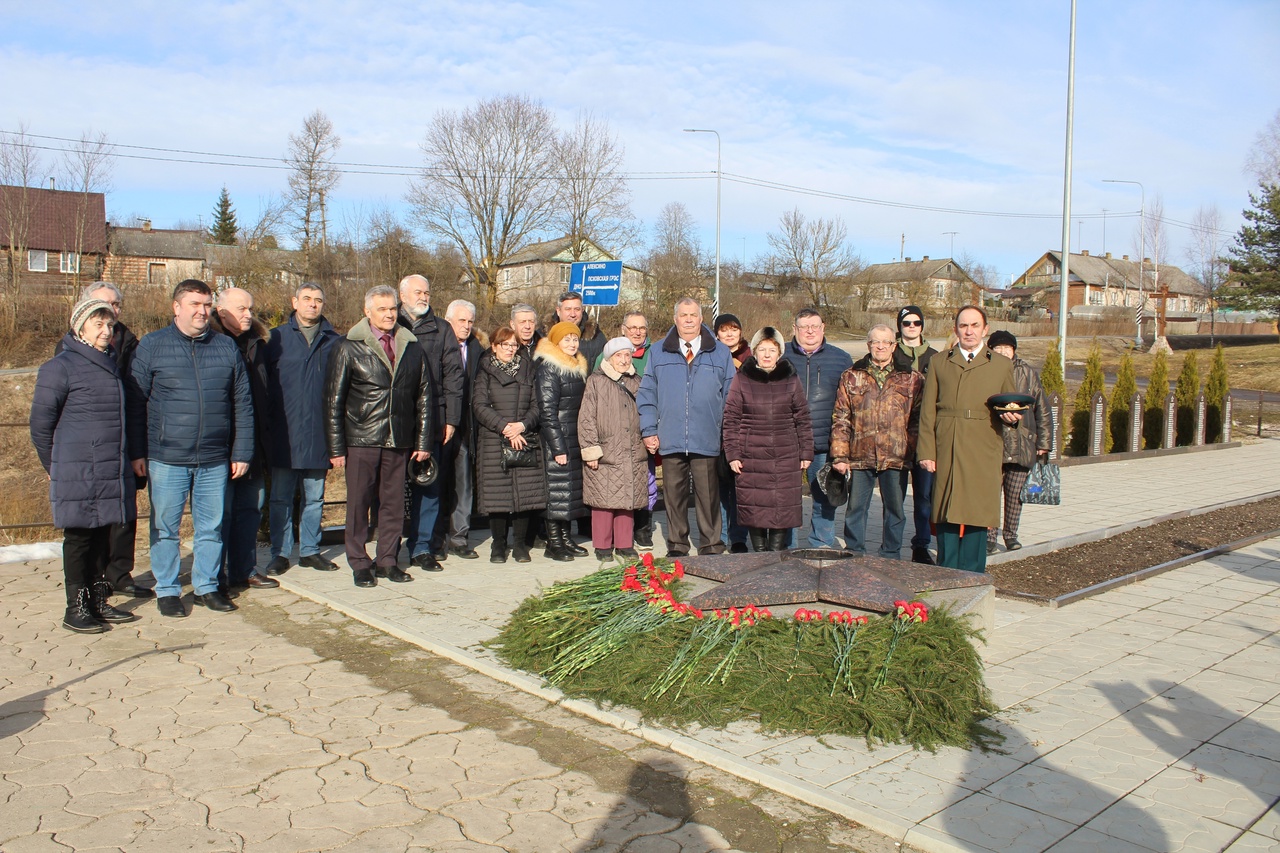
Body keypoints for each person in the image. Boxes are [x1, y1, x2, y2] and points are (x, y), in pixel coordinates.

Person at [130, 279, 253, 617]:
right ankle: (168, 590)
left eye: (207, 305)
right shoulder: (152, 346)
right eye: (195, 304)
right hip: (166, 457)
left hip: (214, 457)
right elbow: (136, 403)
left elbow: (241, 402)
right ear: (177, 307)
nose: (202, 311)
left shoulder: (226, 347)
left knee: (211, 527)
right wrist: (136, 452)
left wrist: (241, 450)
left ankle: (207, 586)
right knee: (165, 528)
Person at [31, 298, 144, 632]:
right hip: (76, 469)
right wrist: (55, 465)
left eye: (109, 325)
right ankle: (75, 607)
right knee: (79, 537)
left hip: (108, 468)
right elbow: (40, 425)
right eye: (98, 324)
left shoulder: (109, 363)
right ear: (79, 327)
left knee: (101, 536)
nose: (107, 331)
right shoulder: (60, 367)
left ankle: (97, 600)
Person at [325, 285, 432, 588]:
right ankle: (359, 562)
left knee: (393, 504)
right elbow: (333, 399)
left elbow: (424, 395)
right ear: (367, 311)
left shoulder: (411, 346)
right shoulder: (348, 347)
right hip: (361, 438)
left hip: (399, 440)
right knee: (358, 504)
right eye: (382, 309)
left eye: (392, 309)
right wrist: (336, 447)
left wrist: (423, 442)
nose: (388, 314)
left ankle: (387, 560)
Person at [54, 281, 149, 599]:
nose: (113, 315)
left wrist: (136, 448)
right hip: (86, 452)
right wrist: (57, 461)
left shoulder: (129, 342)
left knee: (124, 513)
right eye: (105, 307)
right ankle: (85, 592)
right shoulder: (68, 353)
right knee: (87, 527)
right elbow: (48, 419)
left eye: (117, 306)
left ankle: (118, 573)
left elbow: (135, 396)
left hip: (119, 442)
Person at [916, 306, 1020, 573]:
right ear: (956, 330)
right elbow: (928, 411)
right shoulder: (940, 362)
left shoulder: (1001, 364)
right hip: (947, 442)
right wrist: (927, 451)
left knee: (978, 509)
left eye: (975, 325)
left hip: (983, 442)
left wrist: (1012, 417)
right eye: (963, 326)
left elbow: (1011, 405)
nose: (969, 331)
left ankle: (974, 574)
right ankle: (946, 572)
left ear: (985, 329)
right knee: (946, 508)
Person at [637, 298, 736, 557]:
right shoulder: (658, 351)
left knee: (708, 497)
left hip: (707, 437)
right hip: (670, 437)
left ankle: (711, 544)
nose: (689, 319)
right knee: (674, 498)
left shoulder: (721, 352)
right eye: (684, 315)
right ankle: (678, 545)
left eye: (693, 315)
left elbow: (730, 396)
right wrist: (649, 430)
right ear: (675, 319)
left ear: (701, 319)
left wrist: (727, 434)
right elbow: (647, 393)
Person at [263, 282, 341, 576]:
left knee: (314, 497)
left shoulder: (334, 340)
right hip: (284, 433)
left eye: (318, 300)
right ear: (294, 302)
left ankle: (309, 550)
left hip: (319, 434)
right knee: (281, 497)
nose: (312, 304)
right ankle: (280, 553)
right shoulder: (275, 339)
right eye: (306, 299)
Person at [829, 324, 924, 559]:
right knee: (856, 509)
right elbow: (841, 417)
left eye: (886, 342)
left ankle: (891, 554)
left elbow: (917, 420)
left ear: (894, 345)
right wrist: (840, 455)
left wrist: (911, 452)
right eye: (875, 342)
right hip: (861, 454)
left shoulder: (912, 378)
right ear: (868, 345)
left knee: (895, 510)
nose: (880, 346)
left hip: (896, 455)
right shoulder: (851, 376)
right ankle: (854, 552)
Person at [722, 327, 813, 552]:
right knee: (755, 508)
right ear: (754, 351)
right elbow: (731, 419)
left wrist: (806, 452)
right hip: (751, 457)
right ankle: (760, 555)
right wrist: (732, 454)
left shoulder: (791, 380)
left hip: (785, 456)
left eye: (771, 350)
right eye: (762, 349)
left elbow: (802, 416)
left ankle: (775, 555)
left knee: (782, 508)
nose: (766, 354)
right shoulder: (742, 379)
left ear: (779, 352)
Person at [210, 286, 276, 592]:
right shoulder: (209, 343)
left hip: (255, 445)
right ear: (222, 312)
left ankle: (244, 569)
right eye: (242, 309)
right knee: (219, 515)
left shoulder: (258, 344)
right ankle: (214, 576)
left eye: (250, 308)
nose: (249, 314)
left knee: (251, 510)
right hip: (221, 445)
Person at [397, 274, 464, 571]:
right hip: (394, 418)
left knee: (429, 484)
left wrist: (451, 418)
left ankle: (422, 547)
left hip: (433, 417)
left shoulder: (442, 329)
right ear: (403, 296)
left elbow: (454, 376)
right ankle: (387, 549)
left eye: (426, 292)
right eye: (417, 292)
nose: (423, 297)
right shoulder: (391, 325)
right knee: (390, 487)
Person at [473, 326, 547, 563]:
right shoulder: (485, 370)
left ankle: (520, 545)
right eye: (505, 345)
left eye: (514, 345)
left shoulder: (528, 370)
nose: (510, 349)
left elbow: (537, 406)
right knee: (498, 496)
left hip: (524, 437)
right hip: (494, 440)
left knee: (523, 494)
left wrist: (522, 426)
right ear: (494, 346)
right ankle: (498, 544)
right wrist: (506, 428)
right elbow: (479, 405)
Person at [782, 307, 853, 549]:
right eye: (804, 326)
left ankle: (820, 545)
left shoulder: (841, 358)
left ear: (823, 328)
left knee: (824, 496)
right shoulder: (782, 357)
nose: (810, 331)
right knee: (786, 499)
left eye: (815, 326)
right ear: (795, 330)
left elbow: (849, 404)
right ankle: (786, 548)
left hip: (824, 441)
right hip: (789, 442)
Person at [579, 337, 649, 561]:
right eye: (619, 355)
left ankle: (625, 544)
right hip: (606, 451)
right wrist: (590, 449)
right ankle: (602, 546)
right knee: (603, 502)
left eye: (627, 355)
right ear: (609, 358)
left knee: (626, 501)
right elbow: (587, 417)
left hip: (631, 450)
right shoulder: (596, 381)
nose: (624, 359)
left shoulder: (637, 381)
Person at [986, 331, 1053, 554]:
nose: (1003, 351)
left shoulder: (1027, 373)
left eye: (1007, 347)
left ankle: (1011, 535)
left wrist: (1044, 443)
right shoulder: (985, 370)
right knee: (990, 494)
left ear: (1014, 350)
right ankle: (988, 537)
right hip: (992, 441)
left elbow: (1042, 409)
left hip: (1021, 442)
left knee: (1015, 495)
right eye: (998, 348)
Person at [534, 321, 590, 561]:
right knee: (555, 491)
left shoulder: (576, 366)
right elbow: (547, 411)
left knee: (567, 492)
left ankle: (566, 539)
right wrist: (557, 446)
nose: (571, 343)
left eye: (574, 339)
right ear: (556, 342)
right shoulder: (549, 367)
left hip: (573, 437)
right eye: (566, 339)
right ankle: (553, 542)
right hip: (556, 440)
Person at [602, 312, 657, 549]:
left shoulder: (655, 354)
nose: (637, 332)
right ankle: (619, 532)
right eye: (632, 327)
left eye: (642, 328)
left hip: (645, 430)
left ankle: (643, 528)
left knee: (648, 481)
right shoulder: (608, 353)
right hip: (616, 435)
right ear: (623, 328)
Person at [893, 305, 940, 564]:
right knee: (894, 498)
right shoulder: (891, 352)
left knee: (923, 496)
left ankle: (921, 545)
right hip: (896, 437)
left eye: (916, 323)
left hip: (924, 434)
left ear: (922, 325)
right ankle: (891, 547)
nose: (911, 327)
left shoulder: (936, 357)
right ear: (899, 326)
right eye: (906, 323)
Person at [442, 299, 484, 559]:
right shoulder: (436, 345)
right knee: (437, 485)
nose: (467, 326)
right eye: (462, 321)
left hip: (466, 426)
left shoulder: (477, 348)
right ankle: (433, 539)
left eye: (470, 321)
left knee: (464, 484)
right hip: (439, 425)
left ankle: (459, 538)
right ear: (449, 321)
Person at [712, 312, 751, 552]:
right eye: (724, 329)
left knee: (739, 489)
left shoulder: (751, 358)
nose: (729, 333)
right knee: (718, 489)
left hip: (743, 431)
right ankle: (720, 535)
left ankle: (738, 538)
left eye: (733, 329)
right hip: (714, 429)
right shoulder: (709, 355)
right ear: (716, 333)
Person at [551, 290, 606, 369]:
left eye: (577, 309)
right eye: (568, 309)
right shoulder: (544, 335)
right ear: (558, 311)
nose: (573, 314)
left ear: (582, 310)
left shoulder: (596, 336)